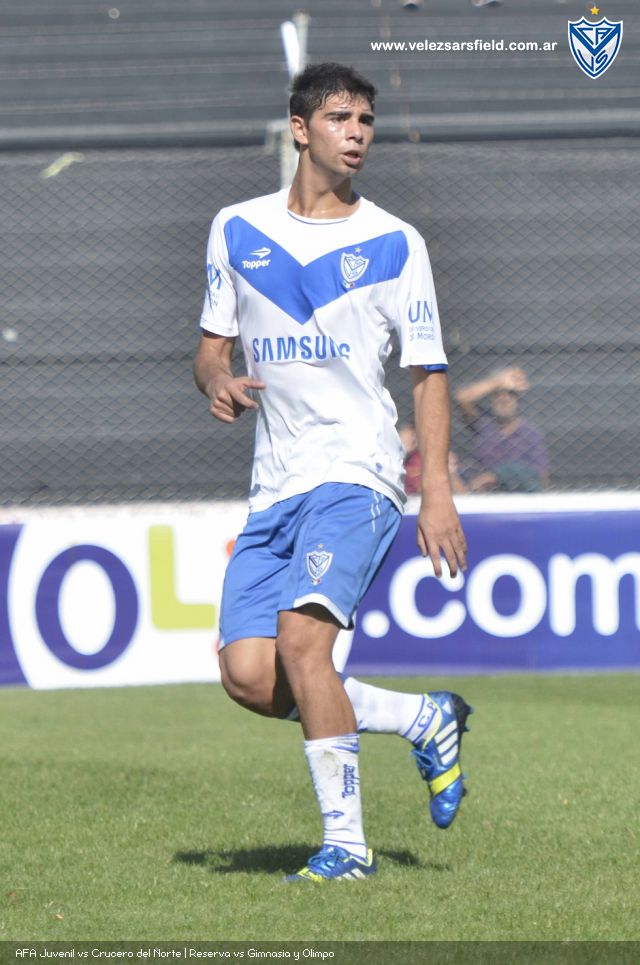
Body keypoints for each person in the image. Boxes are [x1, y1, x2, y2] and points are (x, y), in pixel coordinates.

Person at [193, 62, 472, 884]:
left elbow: (428, 372)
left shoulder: (394, 241)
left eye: (366, 121)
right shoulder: (236, 229)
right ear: (300, 128)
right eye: (340, 118)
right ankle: (422, 717)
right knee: (250, 674)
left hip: (358, 473)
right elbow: (210, 348)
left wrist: (436, 491)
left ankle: (346, 847)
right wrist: (216, 381)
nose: (357, 133)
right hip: (274, 485)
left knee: (302, 644)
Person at [454, 366, 550, 492]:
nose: (503, 399)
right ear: (491, 399)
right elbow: (461, 398)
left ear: (517, 400)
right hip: (483, 495)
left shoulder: (530, 433)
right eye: (497, 394)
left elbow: (542, 478)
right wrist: (497, 382)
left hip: (518, 495)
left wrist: (498, 477)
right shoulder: (483, 423)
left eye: (510, 394)